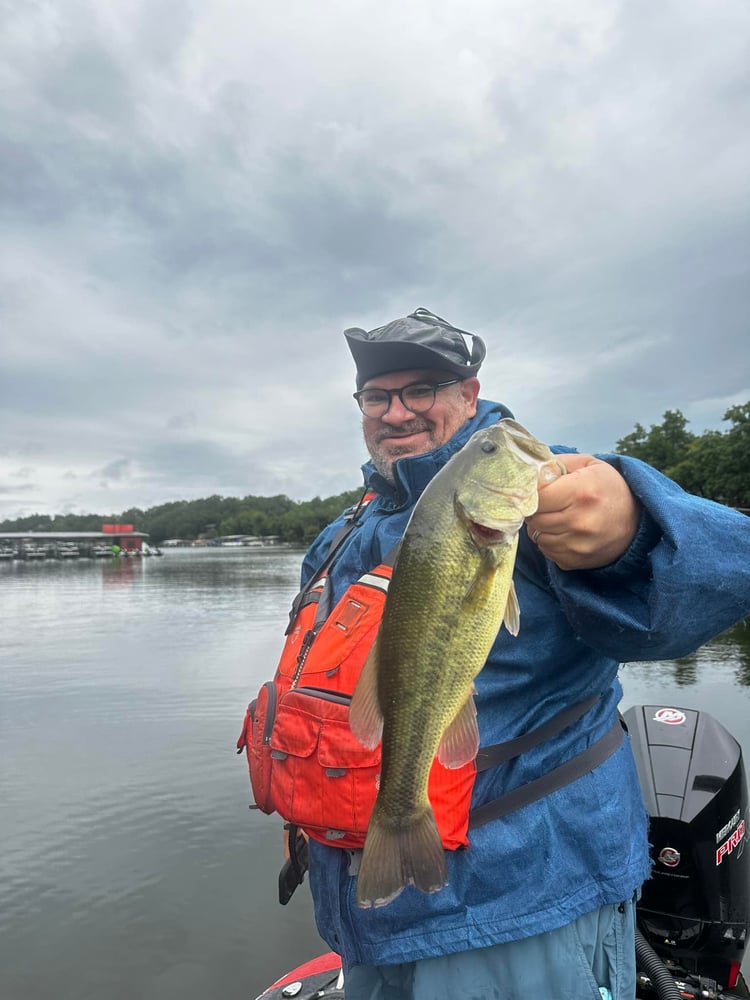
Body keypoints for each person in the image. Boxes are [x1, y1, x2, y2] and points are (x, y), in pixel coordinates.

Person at [288, 309, 750, 1000]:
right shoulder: (343, 532)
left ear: (469, 395)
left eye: (422, 390)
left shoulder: (545, 494)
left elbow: (726, 570)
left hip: (517, 903)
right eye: (378, 395)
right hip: (366, 911)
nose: (396, 411)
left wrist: (634, 527)